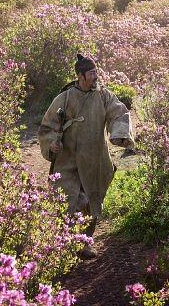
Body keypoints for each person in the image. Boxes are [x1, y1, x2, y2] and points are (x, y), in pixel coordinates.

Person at [38, 53, 134, 259]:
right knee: (71, 201)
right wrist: (52, 142)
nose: (95, 77)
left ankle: (84, 244)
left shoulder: (104, 95)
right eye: (91, 73)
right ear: (80, 76)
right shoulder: (63, 98)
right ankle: (67, 243)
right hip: (67, 161)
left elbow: (119, 113)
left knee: (91, 200)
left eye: (96, 72)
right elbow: (47, 127)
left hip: (95, 160)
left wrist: (119, 134)